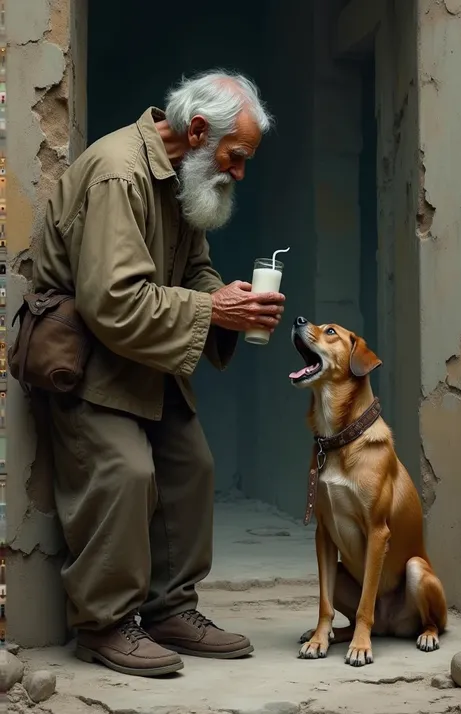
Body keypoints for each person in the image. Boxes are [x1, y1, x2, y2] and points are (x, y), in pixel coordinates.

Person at [33, 70, 285, 677]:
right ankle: (104, 625)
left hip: (142, 352)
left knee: (190, 465)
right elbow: (113, 302)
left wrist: (228, 300)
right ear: (198, 131)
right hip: (88, 358)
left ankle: (170, 609)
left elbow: (193, 270)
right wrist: (211, 310)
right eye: (237, 156)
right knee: (125, 470)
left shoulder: (182, 178)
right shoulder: (120, 172)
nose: (239, 172)